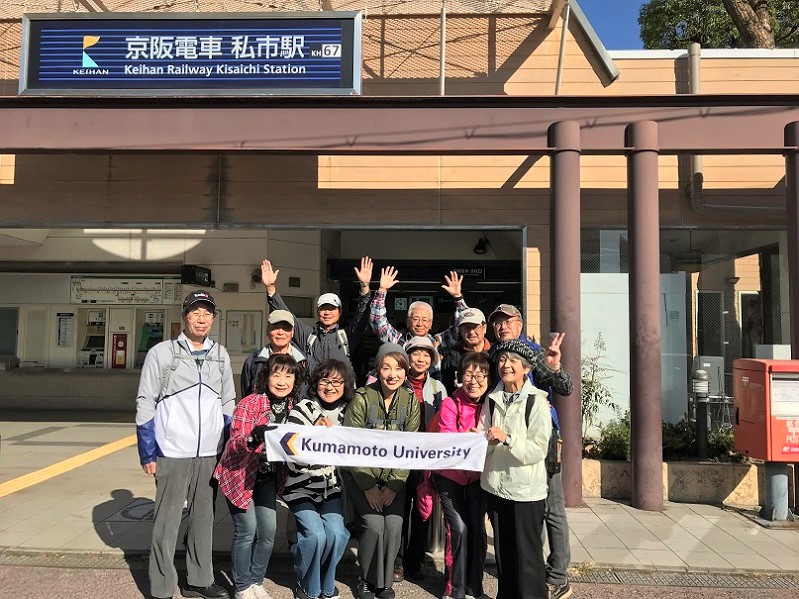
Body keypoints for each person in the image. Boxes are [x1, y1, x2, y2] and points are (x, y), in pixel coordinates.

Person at [135, 290, 234, 599]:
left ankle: (199, 580)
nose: (201, 318)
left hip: (209, 453)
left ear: (213, 319)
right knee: (166, 521)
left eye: (207, 313)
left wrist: (226, 446)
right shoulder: (162, 353)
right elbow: (145, 401)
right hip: (172, 452)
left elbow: (228, 401)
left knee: (204, 518)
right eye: (195, 312)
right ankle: (162, 587)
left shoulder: (221, 354)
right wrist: (147, 451)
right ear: (185, 316)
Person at [487, 304, 574, 599]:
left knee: (551, 507)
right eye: (497, 322)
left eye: (508, 321)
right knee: (520, 515)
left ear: (520, 324)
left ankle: (557, 575)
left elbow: (565, 388)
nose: (502, 326)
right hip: (504, 445)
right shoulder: (494, 355)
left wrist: (554, 368)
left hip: (541, 441)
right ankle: (526, 573)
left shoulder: (533, 353)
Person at [214, 353, 303, 599]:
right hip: (239, 475)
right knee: (247, 530)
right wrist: (253, 438)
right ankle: (242, 586)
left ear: (295, 380)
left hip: (267, 478)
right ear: (266, 377)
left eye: (289, 376)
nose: (282, 381)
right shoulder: (249, 403)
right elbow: (236, 440)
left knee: (268, 532)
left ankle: (256, 581)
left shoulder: (293, 407)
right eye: (277, 375)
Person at [342, 343, 421, 599]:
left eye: (398, 368)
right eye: (386, 367)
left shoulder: (411, 401)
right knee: (374, 524)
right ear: (377, 369)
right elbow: (351, 445)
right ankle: (366, 578)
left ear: (406, 371)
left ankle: (385, 581)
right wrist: (368, 487)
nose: (392, 374)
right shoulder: (362, 398)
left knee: (394, 524)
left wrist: (393, 486)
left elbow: (410, 446)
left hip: (393, 480)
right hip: (360, 476)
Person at [480, 340, 552, 599]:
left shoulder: (536, 402)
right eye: (502, 359)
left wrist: (507, 439)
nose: (506, 365)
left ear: (526, 368)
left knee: (528, 559)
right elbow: (483, 440)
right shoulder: (491, 399)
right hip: (495, 487)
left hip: (525, 492)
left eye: (513, 361)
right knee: (505, 556)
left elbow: (538, 450)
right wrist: (486, 440)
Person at [283, 359, 356, 599]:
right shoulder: (302, 409)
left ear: (345, 386)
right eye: (325, 380)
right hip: (300, 488)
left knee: (337, 534)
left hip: (331, 489)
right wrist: (313, 432)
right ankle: (307, 585)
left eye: (337, 382)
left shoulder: (348, 413)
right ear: (315, 383)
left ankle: (326, 583)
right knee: (315, 536)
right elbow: (289, 451)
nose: (330, 386)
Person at [433, 351, 490, 599]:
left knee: (477, 531)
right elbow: (446, 438)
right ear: (460, 377)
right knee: (458, 529)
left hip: (478, 479)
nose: (474, 381)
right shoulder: (450, 403)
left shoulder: (492, 405)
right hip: (449, 478)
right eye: (469, 375)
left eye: (480, 376)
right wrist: (468, 438)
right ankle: (454, 588)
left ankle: (474, 588)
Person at [394, 336, 446, 582]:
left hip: (426, 458)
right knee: (399, 511)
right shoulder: (396, 382)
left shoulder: (438, 387)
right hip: (400, 456)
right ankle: (397, 562)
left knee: (422, 511)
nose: (421, 358)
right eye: (416, 353)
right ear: (407, 357)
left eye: (427, 354)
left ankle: (415, 561)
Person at [260, 258, 373, 371]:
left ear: (340, 312)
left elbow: (361, 317)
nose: (327, 312)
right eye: (323, 308)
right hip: (312, 383)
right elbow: (285, 315)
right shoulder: (308, 336)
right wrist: (270, 288)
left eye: (332, 309)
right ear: (318, 311)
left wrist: (364, 287)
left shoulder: (347, 336)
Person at [369, 268, 469, 380]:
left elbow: (464, 324)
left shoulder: (439, 343)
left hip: (432, 390)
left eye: (425, 320)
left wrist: (458, 297)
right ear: (407, 321)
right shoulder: (398, 341)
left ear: (431, 324)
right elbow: (377, 320)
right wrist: (382, 290)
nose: (420, 324)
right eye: (415, 319)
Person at [241, 309, 308, 396]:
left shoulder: (304, 362)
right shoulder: (253, 362)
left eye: (286, 328)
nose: (280, 332)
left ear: (292, 333)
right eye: (276, 327)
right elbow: (246, 395)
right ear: (267, 331)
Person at [439, 307, 491, 394]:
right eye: (467, 327)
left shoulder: (494, 353)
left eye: (475, 327)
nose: (471, 332)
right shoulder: (451, 357)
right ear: (460, 330)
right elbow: (447, 388)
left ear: (484, 328)